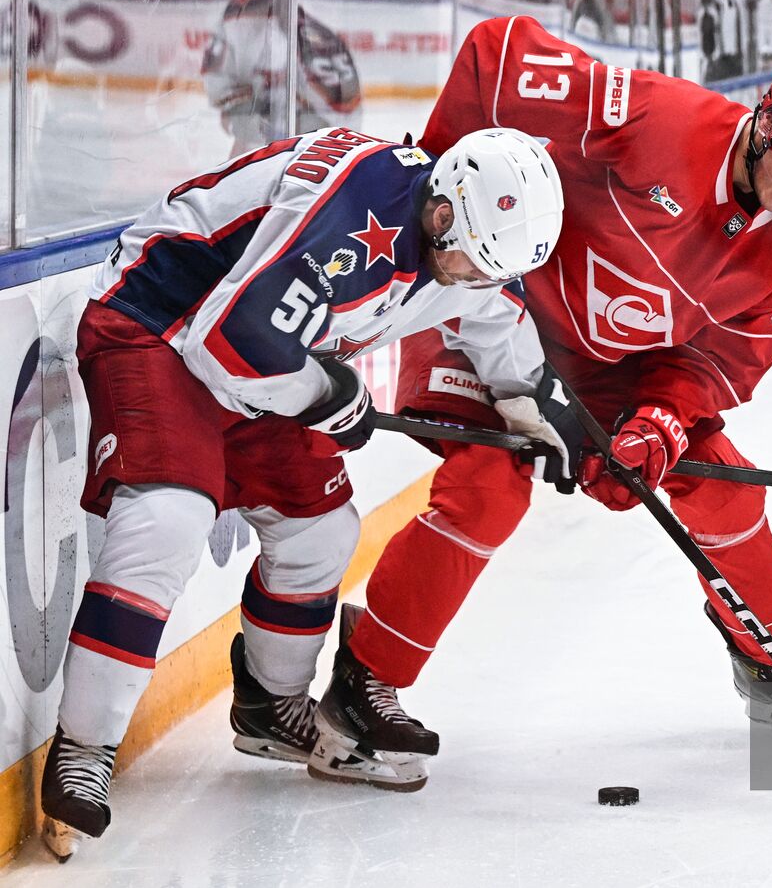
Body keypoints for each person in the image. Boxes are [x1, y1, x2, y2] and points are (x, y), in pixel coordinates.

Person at [303, 15, 772, 790]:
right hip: (486, 312)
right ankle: (361, 684)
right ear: (768, 128)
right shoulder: (653, 119)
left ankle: (771, 661)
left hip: (607, 370)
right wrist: (432, 197)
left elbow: (717, 362)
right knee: (486, 486)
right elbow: (496, 52)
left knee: (721, 481)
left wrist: (658, 423)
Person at [39, 125, 567, 859]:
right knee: (169, 515)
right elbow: (229, 342)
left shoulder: (458, 230)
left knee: (321, 530)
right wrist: (330, 396)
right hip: (156, 325)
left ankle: (270, 707)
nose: (476, 276)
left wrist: (537, 410)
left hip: (254, 358)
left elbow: (493, 310)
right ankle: (84, 745)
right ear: (442, 213)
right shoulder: (353, 216)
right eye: (472, 259)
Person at [202, 0, 363, 156]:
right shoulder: (246, 27)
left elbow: (345, 109)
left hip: (314, 141)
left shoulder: (314, 43)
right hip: (309, 140)